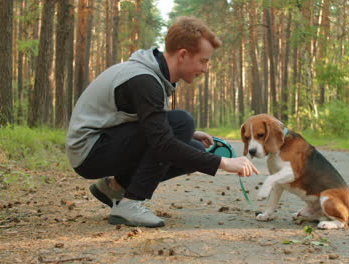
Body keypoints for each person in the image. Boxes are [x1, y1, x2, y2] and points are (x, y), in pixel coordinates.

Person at [66, 16, 259, 228]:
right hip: (89, 152)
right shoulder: (144, 80)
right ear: (183, 55)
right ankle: (130, 204)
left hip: (102, 143)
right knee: (182, 123)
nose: (206, 69)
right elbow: (163, 144)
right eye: (203, 60)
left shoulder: (153, 75)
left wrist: (191, 134)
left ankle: (115, 187)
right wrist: (224, 163)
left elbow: (145, 120)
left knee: (192, 144)